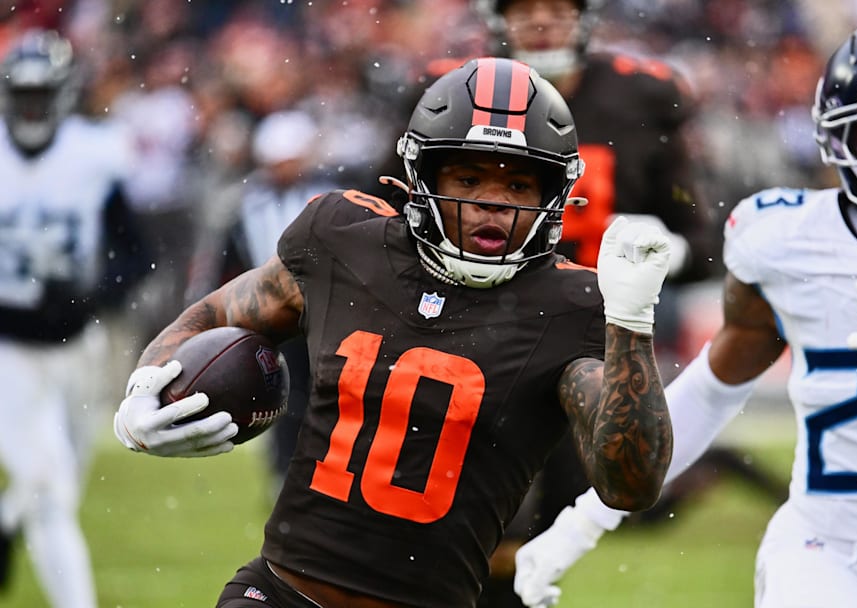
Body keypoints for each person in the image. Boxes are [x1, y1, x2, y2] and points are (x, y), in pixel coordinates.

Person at [513, 20, 857, 608]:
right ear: (836, 142)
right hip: (817, 551)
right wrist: (578, 526)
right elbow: (711, 391)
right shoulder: (787, 240)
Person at [112, 57, 674, 608]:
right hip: (283, 593)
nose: (491, 205)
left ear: (553, 194)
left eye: (520, 185)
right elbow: (216, 315)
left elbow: (631, 484)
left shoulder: (571, 304)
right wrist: (143, 391)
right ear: (422, 174)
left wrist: (632, 322)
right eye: (470, 177)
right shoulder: (345, 241)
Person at [464, 2, 743, 604]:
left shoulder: (641, 98)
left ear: (584, 16)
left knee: (556, 519)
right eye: (525, 9)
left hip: (590, 341)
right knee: (474, 525)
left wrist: (663, 247)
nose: (540, 22)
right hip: (482, 332)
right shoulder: (462, 93)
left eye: (556, 8)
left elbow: (704, 238)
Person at [0, 29, 146, 607]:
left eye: (43, 95)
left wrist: (94, 293)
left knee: (65, 479)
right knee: (49, 488)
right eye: (24, 95)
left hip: (78, 341)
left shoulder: (94, 154)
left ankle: (7, 519)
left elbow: (134, 251)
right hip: (8, 345)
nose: (33, 108)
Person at [184, 109, 340, 501]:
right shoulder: (246, 202)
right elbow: (224, 262)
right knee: (282, 398)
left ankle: (321, 470)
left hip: (325, 316)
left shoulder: (329, 196)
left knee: (325, 395)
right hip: (273, 318)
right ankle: (285, 471)